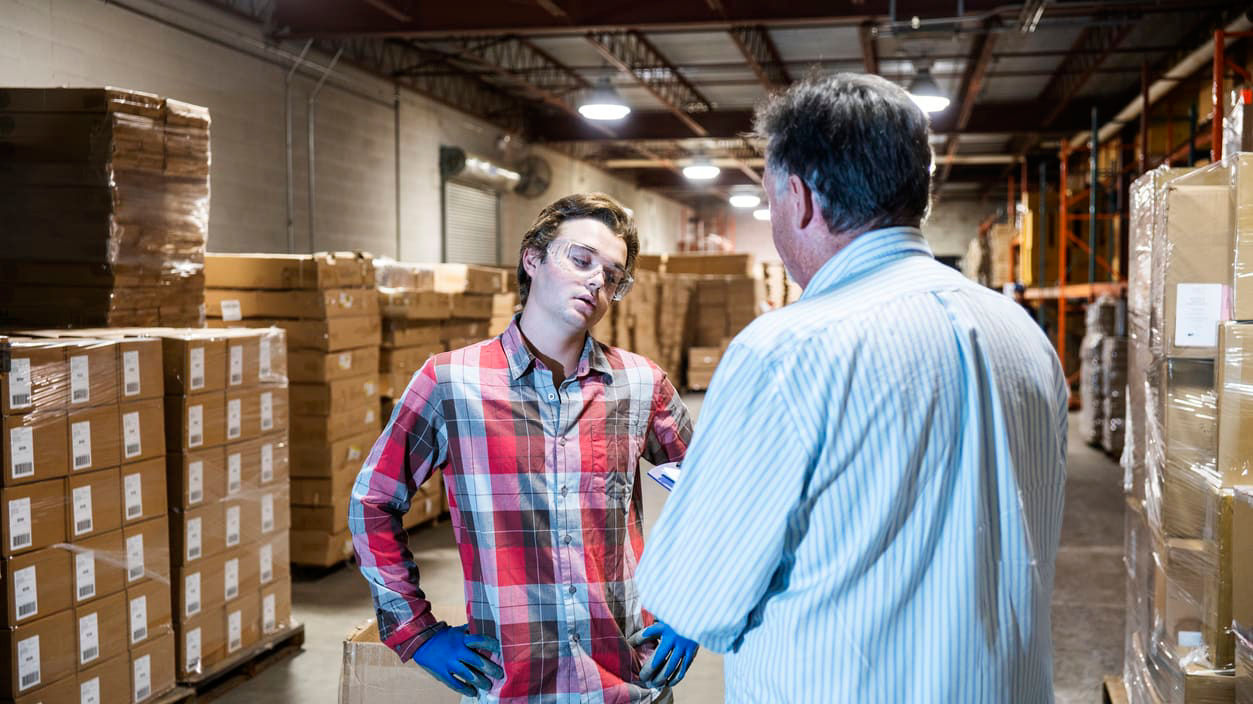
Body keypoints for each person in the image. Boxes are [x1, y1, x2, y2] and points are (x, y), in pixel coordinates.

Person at [635, 73, 1069, 702]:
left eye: (771, 200)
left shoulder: (785, 350)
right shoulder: (1022, 335)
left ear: (801, 197)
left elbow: (694, 594)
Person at [350, 192, 699, 703]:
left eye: (612, 274)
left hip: (629, 681)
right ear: (533, 258)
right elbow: (373, 503)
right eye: (581, 259)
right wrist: (416, 633)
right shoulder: (451, 383)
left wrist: (697, 606)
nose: (596, 280)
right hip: (515, 685)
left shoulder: (641, 385)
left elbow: (717, 495)